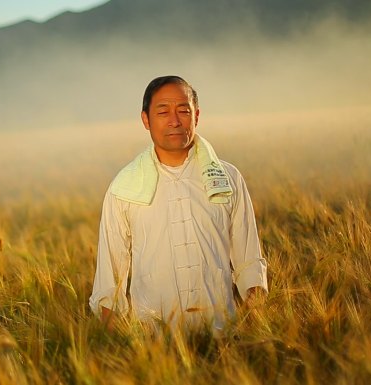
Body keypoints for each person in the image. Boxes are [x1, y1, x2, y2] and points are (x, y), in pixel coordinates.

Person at [89, 75, 268, 334]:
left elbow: (249, 261)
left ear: (196, 116)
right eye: (163, 111)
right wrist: (126, 347)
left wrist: (249, 328)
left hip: (223, 336)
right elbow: (110, 278)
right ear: (145, 120)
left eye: (183, 110)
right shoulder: (125, 188)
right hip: (154, 341)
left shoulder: (227, 179)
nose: (174, 121)